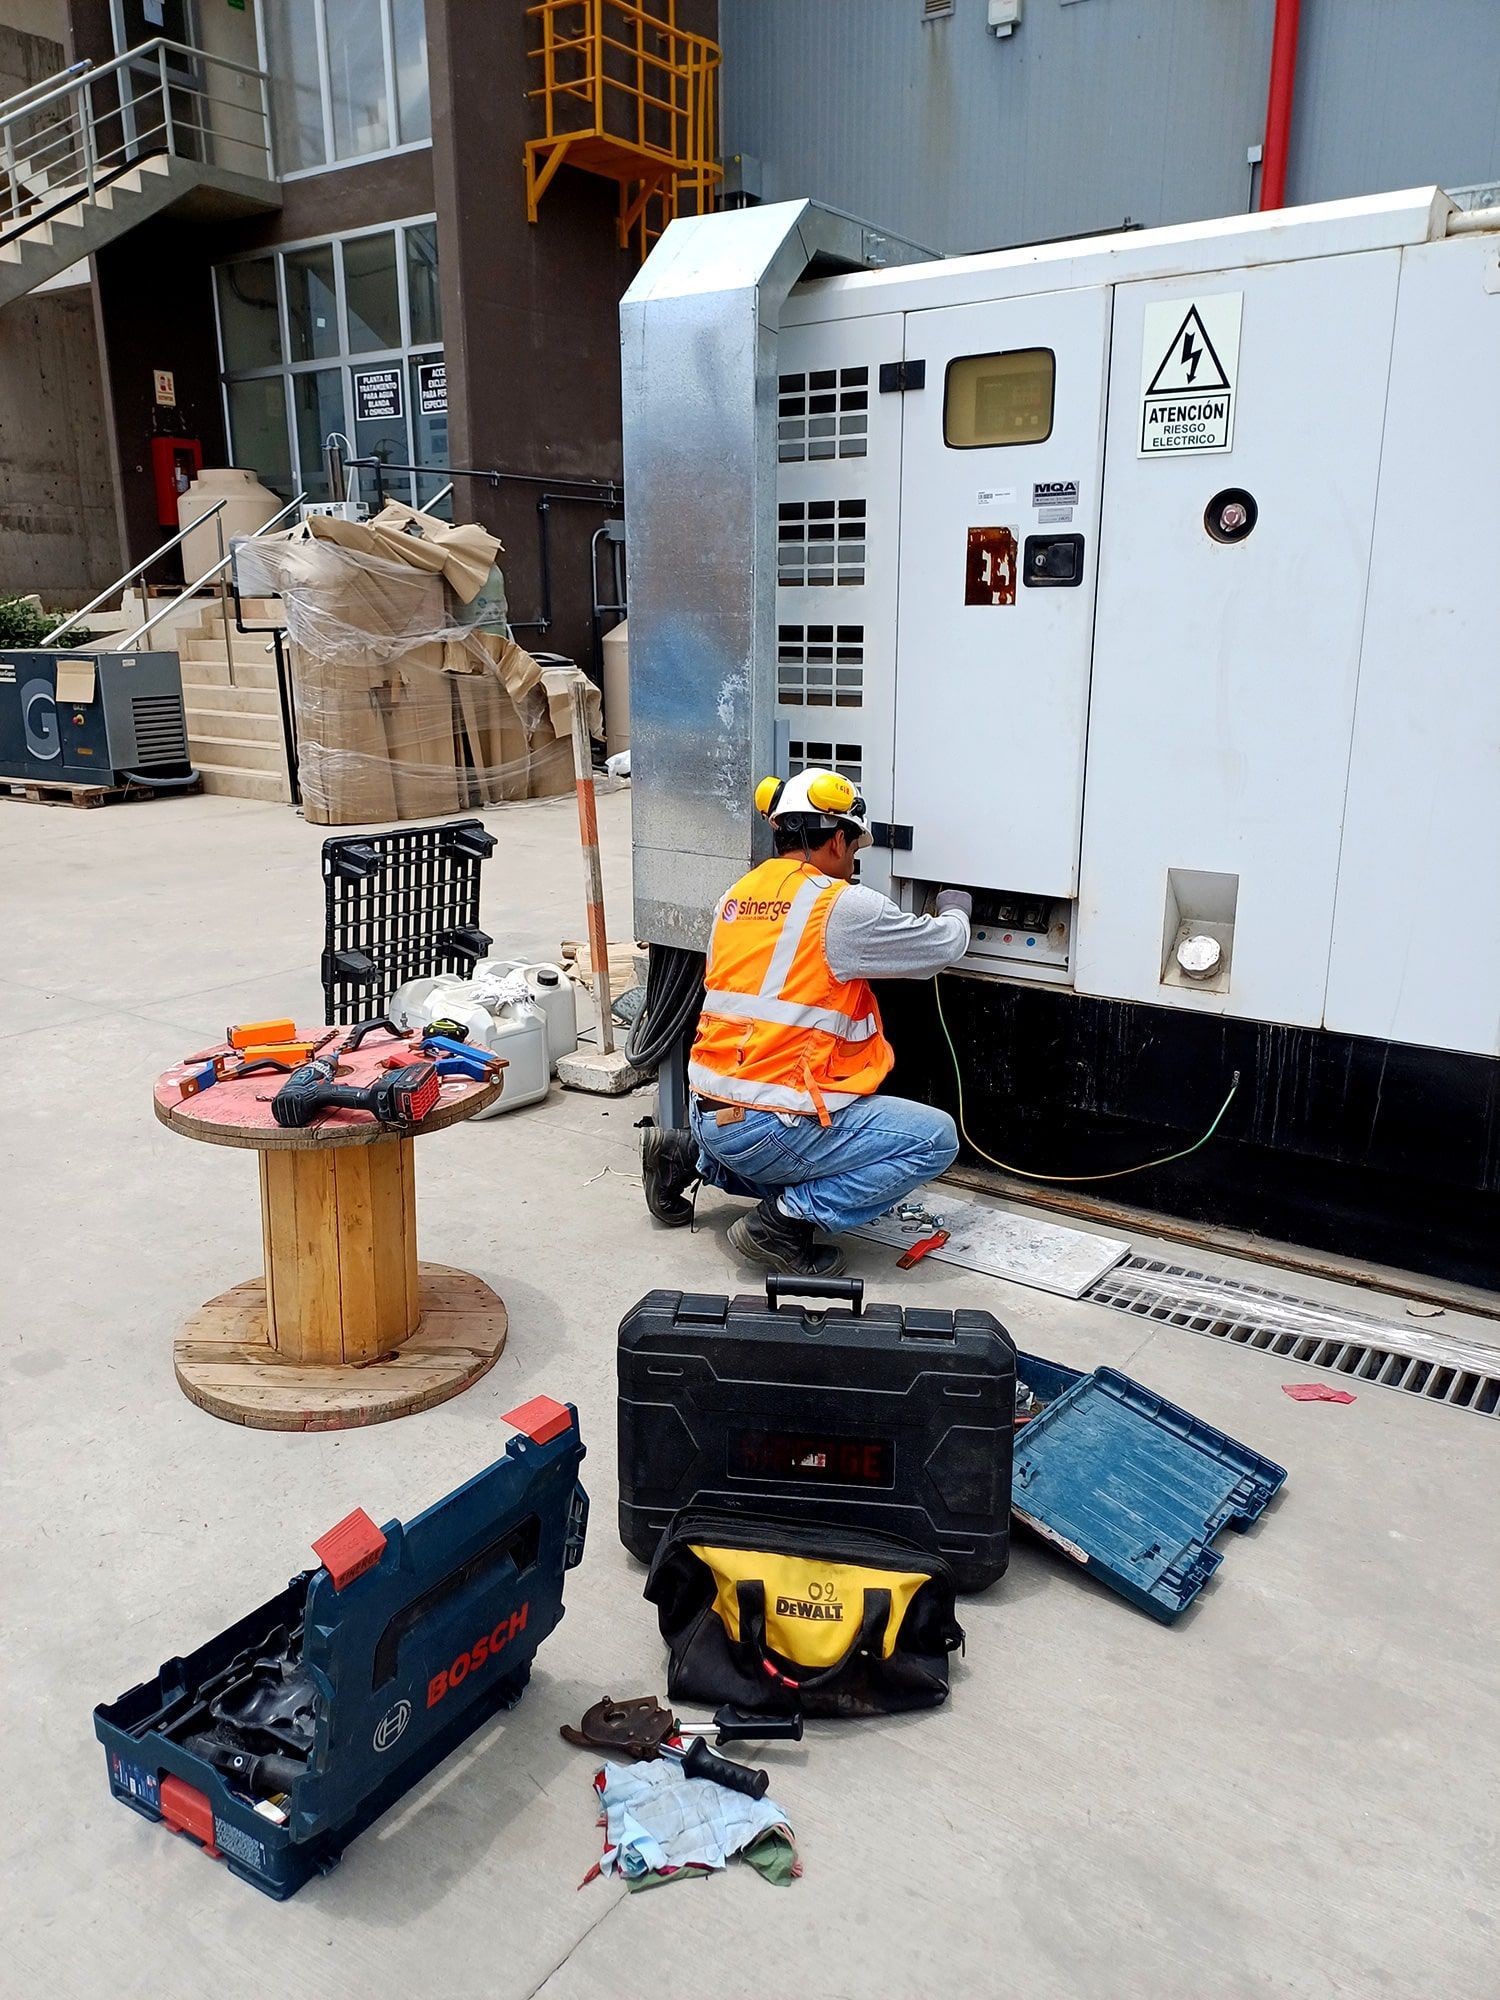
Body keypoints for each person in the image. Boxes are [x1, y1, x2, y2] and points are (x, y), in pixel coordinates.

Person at [641, 767, 973, 1276]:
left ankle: (687, 1155)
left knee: (802, 1159)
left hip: (707, 1113)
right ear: (838, 839)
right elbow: (937, 948)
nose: (853, 864)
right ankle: (782, 1226)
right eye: (855, 851)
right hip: (768, 1124)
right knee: (935, 1139)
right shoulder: (837, 905)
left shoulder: (735, 897)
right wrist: (956, 910)